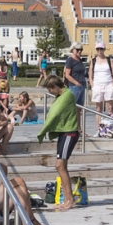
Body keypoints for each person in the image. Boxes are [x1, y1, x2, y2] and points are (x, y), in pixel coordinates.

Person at [37, 73, 80, 211]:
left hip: (70, 133)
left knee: (59, 166)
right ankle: (68, 199)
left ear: (56, 86)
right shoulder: (60, 96)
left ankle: (70, 199)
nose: (50, 92)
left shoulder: (67, 95)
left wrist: (43, 130)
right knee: (62, 166)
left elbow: (55, 113)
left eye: (50, 89)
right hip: (64, 133)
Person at [91, 43, 113, 120]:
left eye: (101, 49)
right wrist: (93, 86)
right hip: (97, 85)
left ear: (104, 49)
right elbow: (90, 75)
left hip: (108, 84)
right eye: (98, 49)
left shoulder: (109, 60)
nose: (99, 50)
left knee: (110, 108)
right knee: (98, 109)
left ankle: (112, 128)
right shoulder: (93, 61)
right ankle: (99, 129)